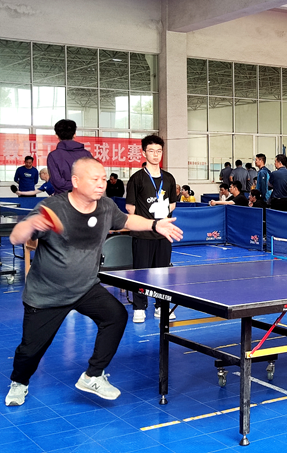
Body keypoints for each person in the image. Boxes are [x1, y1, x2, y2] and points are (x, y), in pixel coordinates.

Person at [5, 157, 182, 407]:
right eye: (95, 179)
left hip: (85, 287)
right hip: (47, 293)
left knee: (116, 316)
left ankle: (93, 375)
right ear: (76, 182)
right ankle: (19, 382)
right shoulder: (53, 207)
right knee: (30, 349)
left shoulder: (106, 206)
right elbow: (16, 237)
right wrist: (30, 224)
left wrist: (154, 225)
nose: (101, 184)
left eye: (103, 179)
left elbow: (127, 220)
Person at [125, 135, 178, 324]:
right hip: (143, 235)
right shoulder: (137, 179)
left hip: (164, 234)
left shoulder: (169, 178)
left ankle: (161, 306)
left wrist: (162, 217)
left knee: (163, 273)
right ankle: (139, 307)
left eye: (159, 151)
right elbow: (130, 207)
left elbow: (172, 203)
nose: (156, 155)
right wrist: (147, 222)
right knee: (141, 273)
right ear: (144, 153)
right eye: (151, 151)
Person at [46, 119, 93, 194]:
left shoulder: (53, 156)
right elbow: (93, 178)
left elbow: (57, 182)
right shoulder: (87, 154)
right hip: (85, 196)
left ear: (56, 136)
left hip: (63, 198)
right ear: (75, 134)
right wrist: (81, 185)